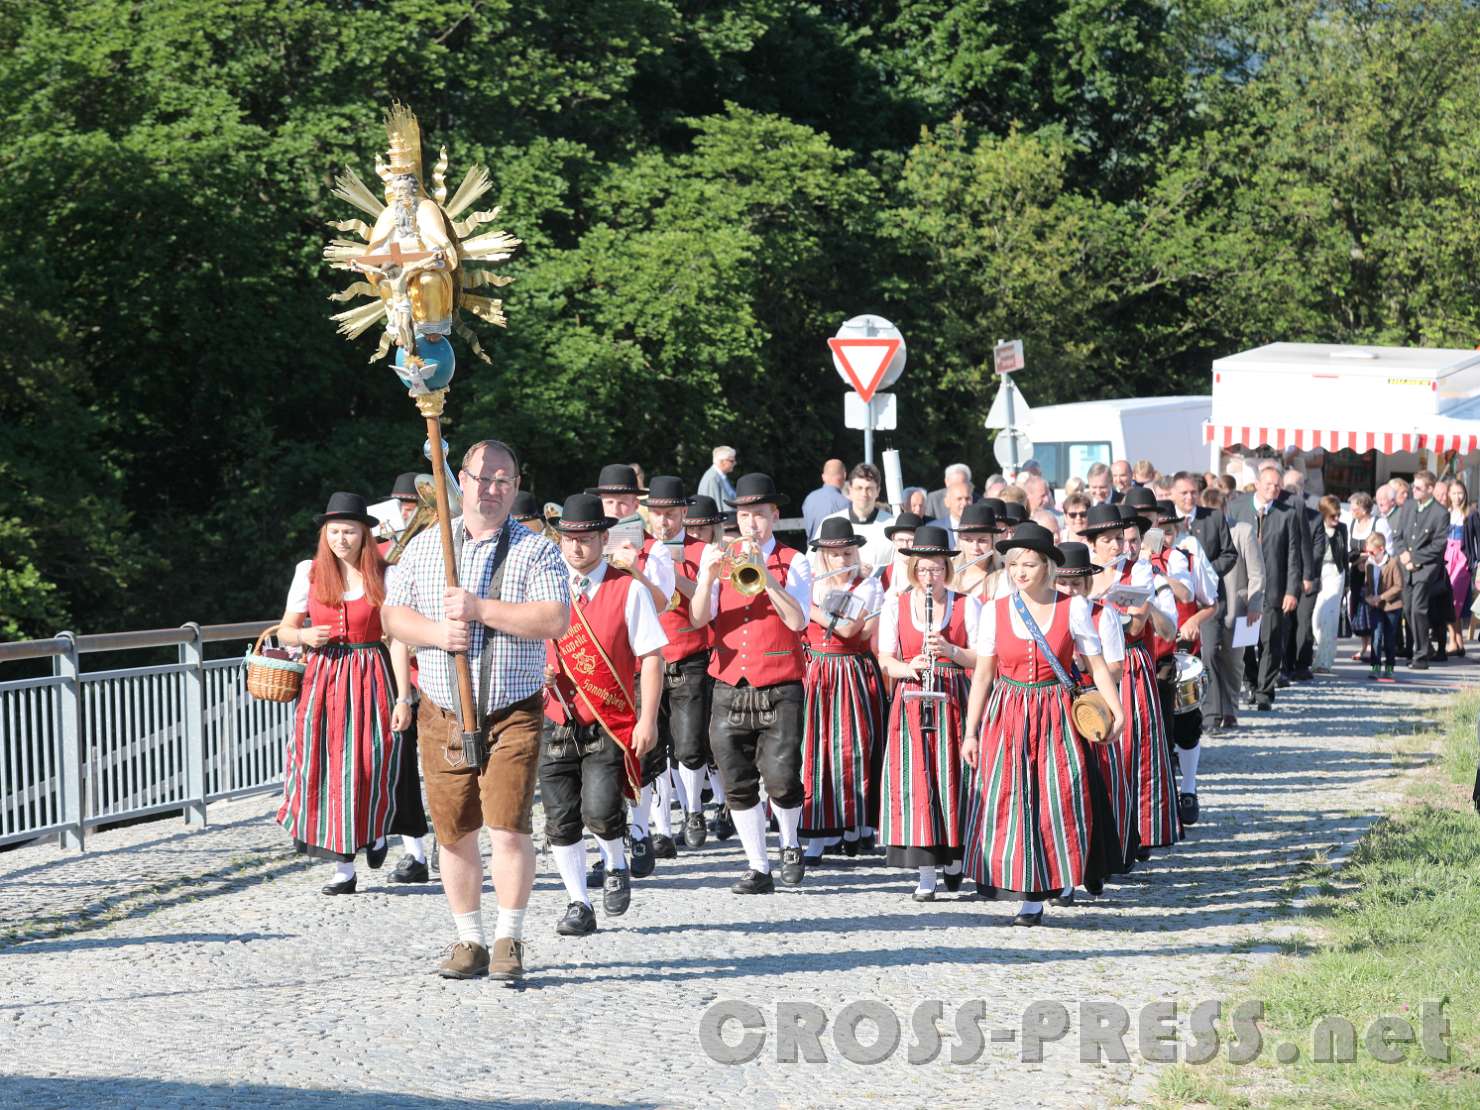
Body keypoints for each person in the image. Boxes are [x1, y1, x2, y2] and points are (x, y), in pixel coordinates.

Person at [382, 438, 570, 983]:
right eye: (482, 478)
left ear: (516, 486)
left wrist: (480, 609)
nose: (491, 489)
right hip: (441, 711)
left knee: (508, 827)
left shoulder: (536, 550)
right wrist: (437, 632)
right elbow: (393, 617)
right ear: (460, 481)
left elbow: (554, 618)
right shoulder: (426, 546)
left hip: (511, 709)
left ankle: (509, 937)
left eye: (502, 480)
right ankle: (470, 940)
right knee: (453, 831)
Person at [962, 523, 1124, 926]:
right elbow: (983, 675)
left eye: (1029, 564)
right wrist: (971, 731)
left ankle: (1063, 874)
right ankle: (1029, 894)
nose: (1020, 571)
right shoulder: (995, 610)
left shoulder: (1074, 608)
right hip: (1008, 712)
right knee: (1014, 800)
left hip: (1056, 713)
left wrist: (1117, 710)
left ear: (1048, 567)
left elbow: (1096, 665)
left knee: (1060, 796)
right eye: (1014, 564)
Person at [541, 494, 665, 937]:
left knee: (600, 809)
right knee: (560, 818)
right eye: (569, 538)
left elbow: (652, 657)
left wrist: (648, 719)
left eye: (586, 538)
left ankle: (615, 862)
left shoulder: (629, 589)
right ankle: (579, 902)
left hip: (608, 719)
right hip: (556, 717)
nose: (577, 547)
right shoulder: (544, 586)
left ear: (602, 539)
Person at [691, 473, 814, 893]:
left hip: (780, 682)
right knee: (736, 778)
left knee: (781, 776)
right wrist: (707, 577)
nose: (751, 524)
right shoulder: (722, 559)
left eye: (759, 515)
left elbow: (797, 621)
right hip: (729, 682)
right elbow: (698, 618)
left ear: (774, 516)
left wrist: (767, 576)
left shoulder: (795, 560)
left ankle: (790, 842)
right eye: (744, 516)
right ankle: (757, 866)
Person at [277, 492, 404, 895]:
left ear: (365, 534)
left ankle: (376, 831)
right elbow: (285, 630)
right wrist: (304, 636)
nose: (341, 539)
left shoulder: (385, 574)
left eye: (349, 531)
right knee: (328, 767)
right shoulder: (310, 572)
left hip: (371, 674)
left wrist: (404, 697)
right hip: (324, 677)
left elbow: (398, 638)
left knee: (369, 762)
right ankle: (343, 868)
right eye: (334, 532)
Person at [876, 526, 976, 901]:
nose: (928, 575)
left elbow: (981, 659)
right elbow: (886, 659)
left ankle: (955, 857)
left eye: (935, 568)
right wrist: (909, 667)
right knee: (917, 780)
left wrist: (950, 650)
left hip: (953, 696)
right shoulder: (896, 604)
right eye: (922, 568)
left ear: (946, 569)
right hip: (913, 697)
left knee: (954, 776)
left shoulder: (967, 604)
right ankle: (927, 872)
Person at [586, 464, 676, 873]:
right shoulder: (590, 546)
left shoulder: (655, 549)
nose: (616, 508)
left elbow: (662, 604)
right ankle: (609, 845)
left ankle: (639, 831)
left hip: (639, 667)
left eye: (623, 501)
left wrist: (633, 569)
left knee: (641, 754)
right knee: (598, 758)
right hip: (600, 666)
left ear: (635, 504)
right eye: (609, 501)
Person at [1082, 503, 1179, 860]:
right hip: (1085, 663)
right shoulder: (1079, 569)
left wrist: (1104, 611)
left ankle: (1136, 831)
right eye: (1109, 539)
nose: (1118, 546)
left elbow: (1137, 624)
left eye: (1120, 539)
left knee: (1131, 748)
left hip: (1128, 661)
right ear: (1094, 543)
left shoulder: (1138, 570)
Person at [799, 519, 885, 862]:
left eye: (847, 553)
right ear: (822, 555)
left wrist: (809, 608)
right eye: (834, 554)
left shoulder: (868, 585)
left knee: (853, 749)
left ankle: (854, 823)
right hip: (815, 670)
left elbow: (851, 631)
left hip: (850, 671)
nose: (841, 560)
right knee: (815, 750)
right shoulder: (811, 582)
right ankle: (819, 833)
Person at [642, 476, 717, 851]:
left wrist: (672, 571)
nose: (663, 521)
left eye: (670, 514)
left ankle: (692, 810)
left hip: (689, 655)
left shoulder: (701, 551)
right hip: (647, 658)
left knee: (688, 745)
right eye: (657, 514)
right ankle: (661, 829)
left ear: (684, 514)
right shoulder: (636, 549)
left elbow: (709, 605)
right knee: (652, 748)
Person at [1225, 463, 1303, 710]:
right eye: (1268, 484)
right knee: (1246, 641)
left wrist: (1291, 590)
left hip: (1274, 588)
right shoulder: (1237, 507)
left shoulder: (1287, 514)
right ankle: (1250, 682)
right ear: (1257, 484)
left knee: (1270, 641)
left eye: (1277, 485)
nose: (1273, 489)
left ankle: (1265, 692)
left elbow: (1294, 555)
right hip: (1245, 587)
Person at [1171, 471, 1238, 736]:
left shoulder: (1214, 517)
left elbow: (1229, 554)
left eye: (1193, 492)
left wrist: (1204, 571)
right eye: (1184, 493)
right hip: (1176, 605)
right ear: (1173, 493)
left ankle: (1211, 715)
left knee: (1209, 652)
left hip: (1206, 601)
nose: (1189, 497)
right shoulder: (1166, 520)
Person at [1201, 487, 1262, 733]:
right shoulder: (1201, 533)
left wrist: (1255, 605)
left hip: (1241, 607)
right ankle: (1214, 710)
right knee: (1211, 657)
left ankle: (1231, 710)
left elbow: (1257, 573)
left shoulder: (1243, 531)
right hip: (1210, 607)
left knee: (1235, 662)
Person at [1397, 470, 1449, 669]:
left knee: (1418, 609)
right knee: (1409, 609)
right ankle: (1424, 648)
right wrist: (1404, 554)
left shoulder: (1440, 513)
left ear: (1430, 489)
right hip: (1406, 566)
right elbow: (1399, 535)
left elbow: (1439, 545)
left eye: (1418, 488)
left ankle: (1421, 657)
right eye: (1413, 486)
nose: (1414, 490)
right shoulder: (1409, 506)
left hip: (1425, 568)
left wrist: (1415, 559)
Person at [822, 462, 895, 569]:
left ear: (878, 491)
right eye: (859, 488)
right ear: (850, 490)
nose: (864, 494)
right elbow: (814, 563)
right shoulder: (830, 524)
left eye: (869, 488)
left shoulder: (892, 525)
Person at [1346, 492, 1388, 663]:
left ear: (1363, 509)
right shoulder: (1352, 524)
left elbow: (1387, 549)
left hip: (1374, 573)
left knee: (1372, 610)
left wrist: (1368, 560)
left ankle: (1374, 646)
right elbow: (1348, 551)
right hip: (1356, 573)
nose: (1351, 511)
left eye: (1354, 508)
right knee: (1358, 609)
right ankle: (1364, 645)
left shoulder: (1379, 523)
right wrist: (1357, 560)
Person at [1310, 495, 1349, 673]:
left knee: (1329, 618)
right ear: (1324, 514)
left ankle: (1324, 661)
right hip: (1318, 573)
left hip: (1336, 573)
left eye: (1338, 515)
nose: (1337, 519)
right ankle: (1321, 653)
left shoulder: (1342, 529)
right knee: (1316, 618)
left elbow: (1344, 556)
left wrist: (1347, 582)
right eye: (1333, 516)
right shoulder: (1315, 526)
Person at [1363, 532, 1403, 682]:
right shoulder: (1369, 564)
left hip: (1391, 607)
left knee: (1389, 639)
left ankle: (1390, 668)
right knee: (1376, 637)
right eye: (1368, 552)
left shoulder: (1392, 563)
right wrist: (1368, 597)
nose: (1370, 555)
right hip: (1375, 607)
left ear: (1381, 549)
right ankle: (1375, 667)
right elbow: (1367, 584)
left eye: (1372, 552)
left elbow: (1398, 586)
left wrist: (1381, 597)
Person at [1444, 480, 1476, 656]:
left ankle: (1454, 641)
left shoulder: (1470, 514)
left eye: (1460, 493)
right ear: (1449, 494)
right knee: (1447, 598)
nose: (1457, 497)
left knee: (1456, 598)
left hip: (1462, 559)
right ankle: (1457, 641)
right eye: (1454, 493)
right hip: (1446, 558)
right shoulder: (1446, 513)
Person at [801, 459, 850, 539]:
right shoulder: (846, 503)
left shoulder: (809, 499)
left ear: (823, 477)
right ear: (844, 475)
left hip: (812, 545)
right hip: (836, 546)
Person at [698, 446, 738, 512]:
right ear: (721, 461)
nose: (735, 463)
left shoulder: (719, 476)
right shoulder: (712, 478)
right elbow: (714, 508)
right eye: (732, 461)